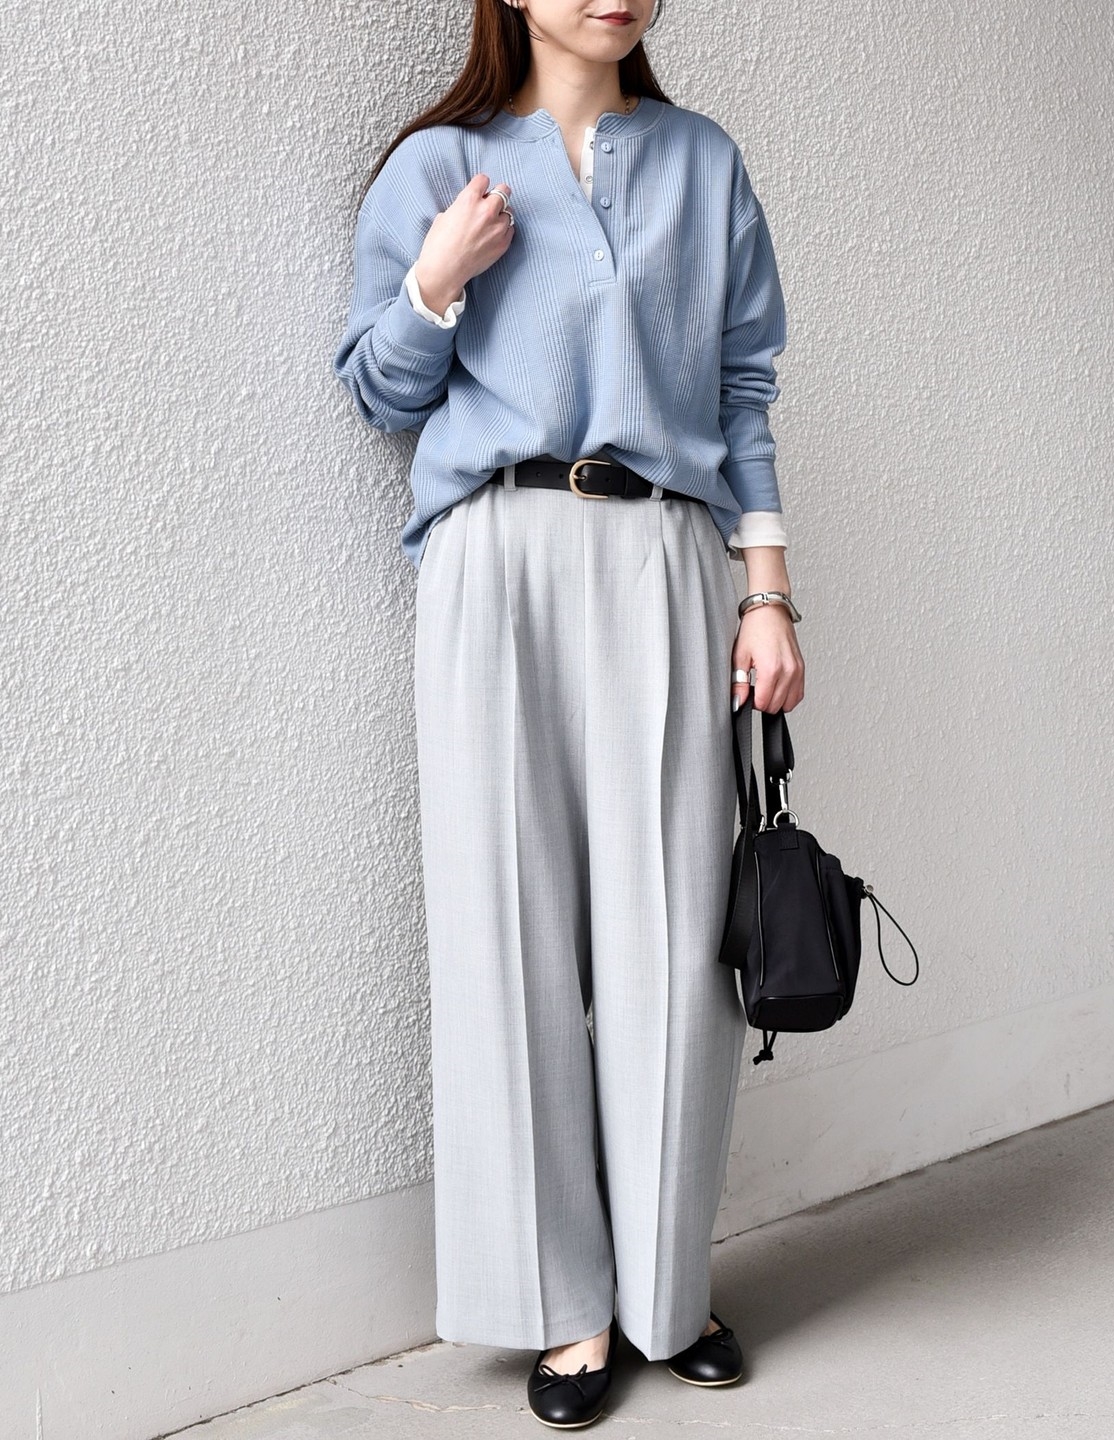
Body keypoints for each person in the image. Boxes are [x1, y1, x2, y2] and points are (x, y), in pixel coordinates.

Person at [332, 0, 804, 1426]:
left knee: (673, 934)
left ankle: (669, 1290)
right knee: (509, 929)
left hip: (663, 551)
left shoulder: (704, 162)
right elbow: (380, 394)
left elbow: (743, 388)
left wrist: (768, 593)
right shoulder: (441, 167)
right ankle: (566, 1310)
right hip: (497, 558)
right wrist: (434, 284)